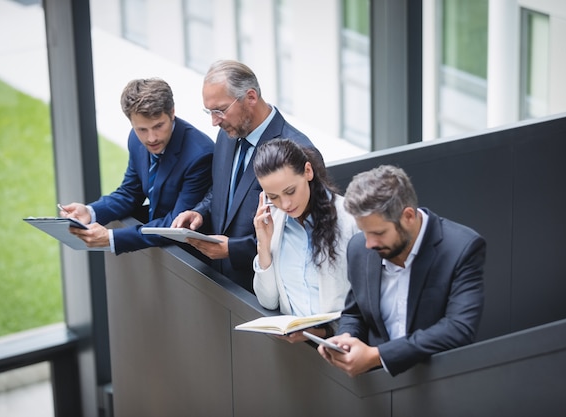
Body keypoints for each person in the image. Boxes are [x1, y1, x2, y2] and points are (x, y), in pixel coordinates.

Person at [316, 165, 486, 377]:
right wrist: (345, 339)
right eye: (364, 232)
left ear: (408, 216)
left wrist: (378, 355)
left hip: (438, 382)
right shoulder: (359, 247)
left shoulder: (461, 248)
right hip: (375, 388)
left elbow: (458, 328)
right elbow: (355, 312)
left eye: (378, 233)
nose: (369, 243)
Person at [171, 60, 318, 292]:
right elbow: (222, 190)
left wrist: (233, 249)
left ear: (250, 97)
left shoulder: (297, 151)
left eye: (220, 110)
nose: (214, 121)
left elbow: (302, 237)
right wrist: (199, 212)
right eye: (209, 112)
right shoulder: (227, 135)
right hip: (219, 283)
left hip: (265, 294)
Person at [59, 78, 214, 254]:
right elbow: (130, 193)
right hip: (157, 250)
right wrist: (90, 211)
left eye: (158, 126)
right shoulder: (135, 139)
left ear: (172, 113)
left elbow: (176, 225)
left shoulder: (200, 155)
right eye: (142, 129)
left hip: (191, 258)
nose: (151, 138)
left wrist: (112, 238)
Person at [251, 139, 360, 343]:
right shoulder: (273, 221)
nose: (285, 204)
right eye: (273, 196)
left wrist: (324, 332)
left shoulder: (350, 220)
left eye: (290, 191)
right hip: (294, 352)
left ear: (308, 171)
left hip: (340, 346)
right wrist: (263, 246)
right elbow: (268, 301)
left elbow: (365, 303)